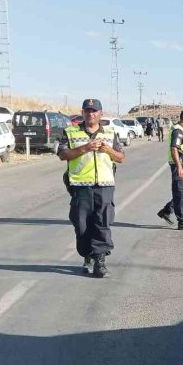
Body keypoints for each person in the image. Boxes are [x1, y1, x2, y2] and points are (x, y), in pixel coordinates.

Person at [57, 98, 126, 278]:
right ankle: (87, 255)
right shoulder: (70, 132)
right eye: (87, 111)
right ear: (82, 113)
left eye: (94, 111)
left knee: (102, 223)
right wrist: (86, 148)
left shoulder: (110, 133)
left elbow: (120, 157)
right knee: (81, 225)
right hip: (80, 186)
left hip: (104, 185)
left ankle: (100, 261)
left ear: (100, 114)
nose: (91, 114)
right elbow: (63, 155)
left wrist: (107, 150)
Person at [156, 108, 183, 231]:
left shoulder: (182, 131)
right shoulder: (178, 131)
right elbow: (174, 148)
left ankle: (167, 210)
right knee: (181, 192)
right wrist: (179, 167)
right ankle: (182, 221)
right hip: (180, 164)